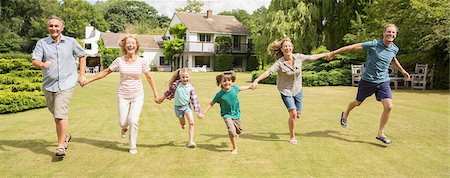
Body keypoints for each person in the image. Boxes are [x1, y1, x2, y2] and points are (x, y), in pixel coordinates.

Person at [328, 24, 410, 144]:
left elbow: (393, 58)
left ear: (395, 35)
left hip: (383, 81)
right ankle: (345, 115)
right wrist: (333, 53)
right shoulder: (374, 44)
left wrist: (402, 71)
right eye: (389, 32)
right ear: (384, 33)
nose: (391, 34)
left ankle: (380, 133)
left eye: (393, 33)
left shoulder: (394, 49)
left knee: (389, 106)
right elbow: (352, 47)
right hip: (368, 81)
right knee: (357, 102)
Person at [82, 35, 159, 154]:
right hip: (123, 94)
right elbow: (106, 72)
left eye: (133, 43)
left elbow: (149, 77)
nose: (130, 45)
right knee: (123, 122)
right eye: (128, 43)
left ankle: (132, 146)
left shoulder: (141, 61)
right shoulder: (119, 61)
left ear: (137, 46)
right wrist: (88, 80)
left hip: (138, 95)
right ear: (124, 46)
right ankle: (124, 127)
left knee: (133, 120)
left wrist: (155, 94)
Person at [250, 37, 330, 145]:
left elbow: (312, 57)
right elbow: (268, 72)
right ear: (282, 49)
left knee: (297, 115)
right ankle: (292, 137)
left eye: (289, 46)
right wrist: (256, 80)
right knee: (293, 113)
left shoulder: (298, 57)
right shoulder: (279, 63)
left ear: (292, 47)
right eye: (285, 46)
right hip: (285, 91)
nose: (287, 48)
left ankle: (292, 120)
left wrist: (325, 55)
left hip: (298, 90)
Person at [31, 15, 87, 157]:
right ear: (48, 28)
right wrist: (42, 64)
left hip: (67, 83)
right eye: (51, 26)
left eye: (56, 26)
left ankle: (61, 146)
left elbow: (82, 55)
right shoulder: (42, 43)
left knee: (60, 114)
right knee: (55, 113)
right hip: (48, 86)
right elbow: (35, 60)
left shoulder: (71, 42)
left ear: (61, 28)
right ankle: (65, 135)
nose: (54, 28)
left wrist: (81, 75)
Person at [199, 71, 253, 154]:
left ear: (232, 81)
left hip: (236, 113)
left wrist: (250, 86)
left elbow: (241, 88)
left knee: (239, 130)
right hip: (226, 115)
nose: (227, 82)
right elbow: (211, 104)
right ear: (220, 82)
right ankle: (235, 148)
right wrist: (203, 113)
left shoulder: (234, 88)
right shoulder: (219, 94)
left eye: (229, 80)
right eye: (224, 81)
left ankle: (236, 134)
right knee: (231, 131)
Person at [155, 68, 202, 148]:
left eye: (187, 77)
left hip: (187, 106)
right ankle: (182, 124)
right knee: (183, 123)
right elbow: (168, 92)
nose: (185, 79)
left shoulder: (191, 87)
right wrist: (161, 99)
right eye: (183, 77)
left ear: (189, 77)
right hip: (178, 108)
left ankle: (190, 141)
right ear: (180, 77)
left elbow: (194, 100)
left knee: (191, 122)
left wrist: (198, 112)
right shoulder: (176, 84)